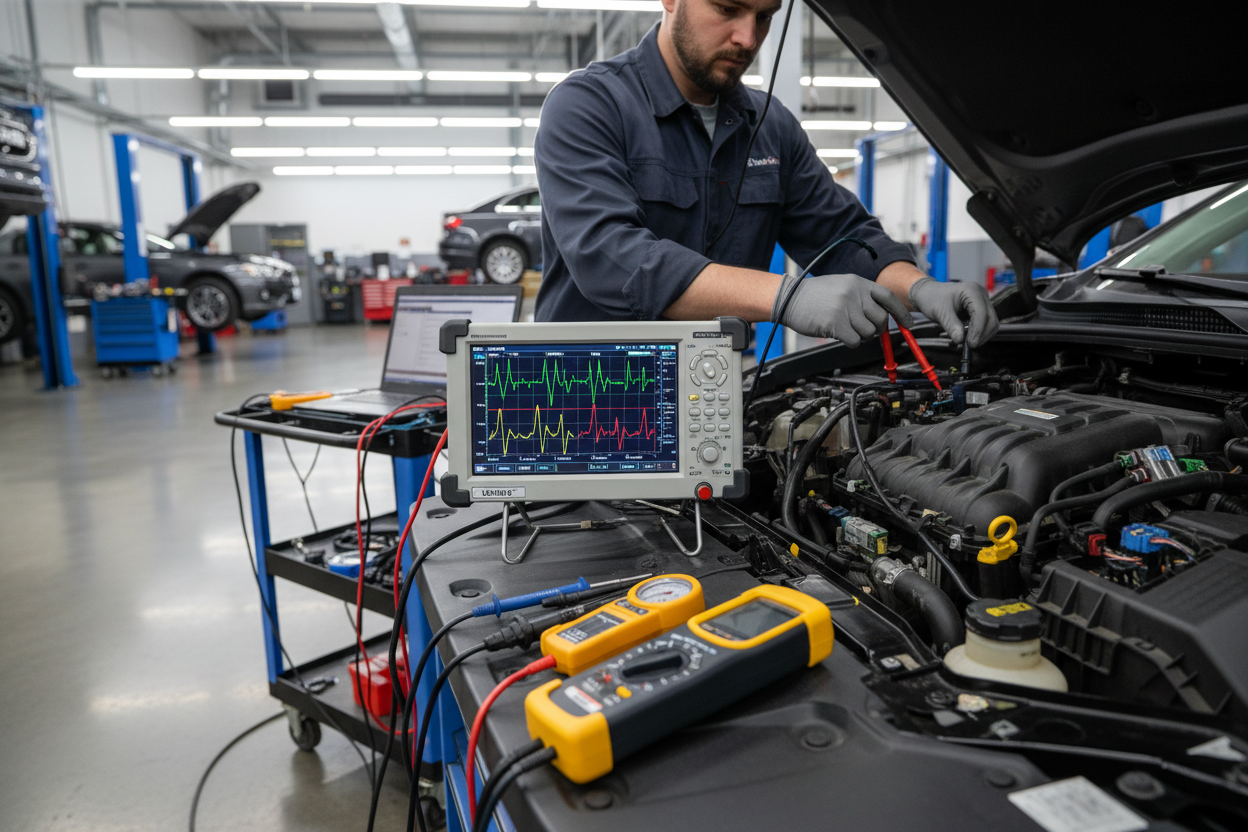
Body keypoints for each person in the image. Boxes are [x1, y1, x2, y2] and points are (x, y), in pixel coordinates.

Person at [533, 0, 997, 349]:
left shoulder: (771, 127)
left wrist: (921, 287)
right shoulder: (587, 106)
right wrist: (788, 296)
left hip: (712, 403)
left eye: (764, 16)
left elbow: (845, 236)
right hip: (586, 401)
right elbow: (611, 258)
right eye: (728, 9)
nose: (748, 38)